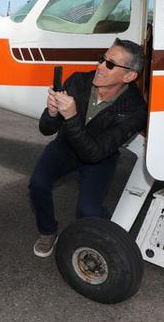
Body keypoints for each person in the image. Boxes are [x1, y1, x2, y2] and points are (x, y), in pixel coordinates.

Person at [29, 38, 148, 257]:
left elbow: (93, 154)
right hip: (64, 147)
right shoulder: (78, 82)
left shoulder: (135, 110)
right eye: (102, 59)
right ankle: (48, 231)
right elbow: (46, 129)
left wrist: (72, 116)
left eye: (110, 64)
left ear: (129, 76)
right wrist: (53, 113)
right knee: (38, 184)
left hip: (99, 158)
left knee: (88, 210)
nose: (100, 66)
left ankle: (105, 236)